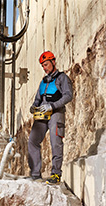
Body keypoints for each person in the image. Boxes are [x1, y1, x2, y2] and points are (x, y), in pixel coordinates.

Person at [28, 51, 73, 184]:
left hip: (56, 113)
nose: (45, 68)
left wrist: (52, 106)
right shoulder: (43, 81)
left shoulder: (62, 78)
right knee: (32, 141)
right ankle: (35, 174)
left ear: (53, 62)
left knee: (55, 143)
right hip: (41, 115)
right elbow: (38, 99)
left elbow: (68, 95)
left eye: (46, 64)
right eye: (42, 66)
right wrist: (33, 106)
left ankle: (56, 175)